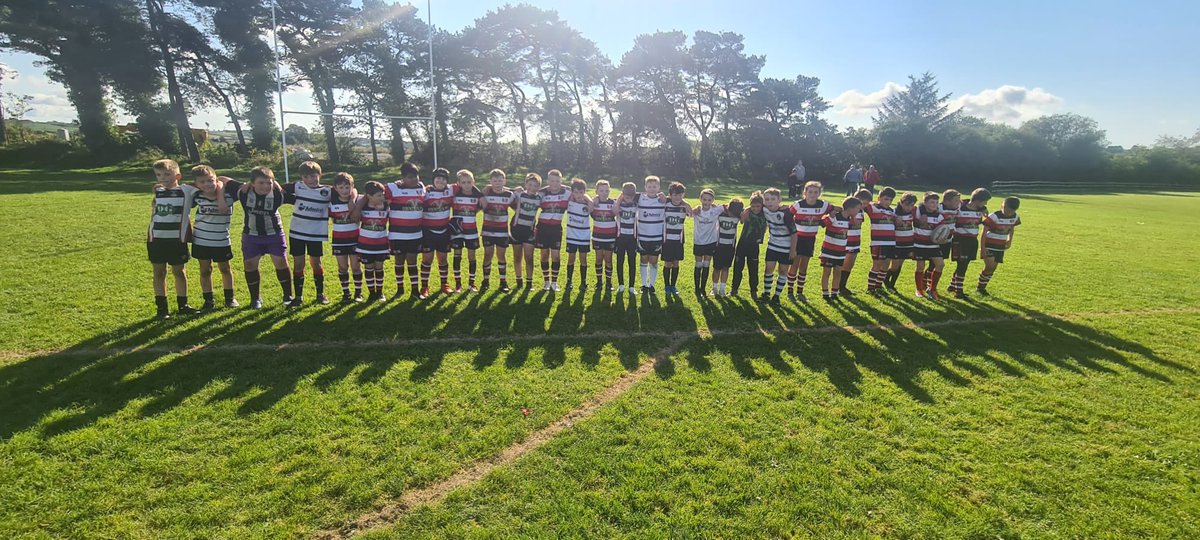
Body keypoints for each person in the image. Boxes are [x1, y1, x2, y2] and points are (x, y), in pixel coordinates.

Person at [147, 159, 199, 319]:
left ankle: (183, 305)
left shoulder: (187, 190)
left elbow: (210, 182)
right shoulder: (158, 190)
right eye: (159, 175)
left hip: (177, 240)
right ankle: (162, 309)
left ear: (178, 175)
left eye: (167, 174)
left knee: (179, 271)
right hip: (156, 239)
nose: (163, 178)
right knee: (159, 272)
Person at [238, 166, 292, 309]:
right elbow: (222, 180)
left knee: (281, 262)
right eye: (261, 183)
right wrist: (245, 184)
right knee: (250, 264)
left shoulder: (278, 195)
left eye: (269, 183)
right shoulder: (243, 192)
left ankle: (288, 296)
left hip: (273, 233)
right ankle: (255, 299)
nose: (265, 186)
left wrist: (276, 184)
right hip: (251, 234)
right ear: (252, 183)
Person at [282, 161, 333, 307]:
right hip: (297, 233)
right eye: (306, 177)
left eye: (313, 176)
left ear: (319, 175)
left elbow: (349, 190)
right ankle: (298, 297)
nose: (310, 179)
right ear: (301, 178)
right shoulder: (297, 187)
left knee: (316, 263)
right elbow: (277, 187)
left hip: (315, 234)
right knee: (299, 264)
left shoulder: (327, 191)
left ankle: (320, 294)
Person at [190, 165, 238, 310]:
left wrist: (221, 189)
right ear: (196, 184)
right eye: (202, 182)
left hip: (221, 239)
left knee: (225, 269)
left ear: (215, 179)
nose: (207, 185)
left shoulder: (229, 195)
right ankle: (208, 300)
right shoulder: (196, 196)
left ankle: (230, 298)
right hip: (201, 240)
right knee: (205, 270)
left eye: (210, 180)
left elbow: (234, 183)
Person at [381, 162, 425, 300]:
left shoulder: (422, 187)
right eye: (410, 177)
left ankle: (415, 291)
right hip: (397, 234)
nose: (414, 179)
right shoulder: (392, 188)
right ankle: (399, 289)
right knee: (399, 261)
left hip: (415, 234)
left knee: (412, 261)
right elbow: (373, 192)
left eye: (416, 176)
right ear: (403, 178)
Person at [786, 180, 832, 302]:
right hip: (797, 238)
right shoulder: (798, 205)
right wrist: (791, 230)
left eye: (815, 192)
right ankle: (790, 291)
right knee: (794, 265)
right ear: (805, 193)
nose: (812, 194)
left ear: (819, 193)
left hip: (810, 239)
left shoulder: (823, 205)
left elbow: (835, 210)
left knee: (804, 266)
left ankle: (800, 291)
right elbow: (787, 216)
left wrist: (824, 221)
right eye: (810, 192)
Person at [948, 188, 991, 298]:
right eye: (984, 201)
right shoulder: (960, 207)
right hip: (960, 240)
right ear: (977, 200)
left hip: (972, 241)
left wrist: (984, 209)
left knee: (964, 264)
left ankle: (952, 286)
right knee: (962, 265)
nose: (986, 204)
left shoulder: (980, 210)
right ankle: (959, 292)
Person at [418, 168, 453, 298]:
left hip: (444, 231)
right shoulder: (425, 192)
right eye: (438, 178)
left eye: (444, 179)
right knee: (427, 259)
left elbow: (469, 185)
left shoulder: (450, 190)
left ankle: (444, 284)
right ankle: (424, 287)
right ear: (433, 180)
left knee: (443, 259)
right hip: (428, 231)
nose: (441, 181)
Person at [328, 173, 363, 303]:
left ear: (352, 187)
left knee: (356, 267)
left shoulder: (358, 200)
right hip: (338, 241)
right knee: (342, 268)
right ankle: (346, 293)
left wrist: (353, 199)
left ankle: (358, 293)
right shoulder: (332, 202)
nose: (344, 190)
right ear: (335, 188)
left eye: (347, 187)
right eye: (341, 188)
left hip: (355, 239)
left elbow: (363, 197)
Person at [480, 169, 516, 291]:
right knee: (488, 254)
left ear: (504, 181)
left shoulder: (509, 195)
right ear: (490, 181)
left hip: (502, 231)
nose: (498, 183)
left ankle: (503, 282)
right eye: (495, 181)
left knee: (501, 255)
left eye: (500, 180)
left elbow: (517, 207)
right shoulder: (485, 194)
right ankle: (485, 281)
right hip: (487, 231)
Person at [977, 196, 1021, 295]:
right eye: (1005, 208)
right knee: (989, 266)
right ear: (1002, 205)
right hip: (989, 244)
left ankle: (982, 288)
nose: (1008, 212)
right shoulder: (994, 216)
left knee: (993, 268)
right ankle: (980, 287)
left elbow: (1012, 229)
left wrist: (1009, 240)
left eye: (1010, 210)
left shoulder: (1015, 217)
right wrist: (982, 248)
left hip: (1000, 245)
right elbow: (983, 232)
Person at [819, 197, 861, 301]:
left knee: (838, 272)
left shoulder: (849, 220)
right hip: (828, 251)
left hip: (841, 252)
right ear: (850, 208)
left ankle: (834, 293)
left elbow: (856, 225)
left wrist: (854, 218)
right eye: (857, 209)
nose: (858, 211)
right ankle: (825, 293)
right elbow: (822, 223)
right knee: (827, 272)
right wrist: (831, 215)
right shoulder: (835, 216)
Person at [355, 181, 391, 302]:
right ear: (369, 196)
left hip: (381, 244)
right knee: (369, 268)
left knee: (379, 268)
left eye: (383, 195)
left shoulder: (386, 207)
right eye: (379, 195)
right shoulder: (362, 206)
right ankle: (371, 293)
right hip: (365, 245)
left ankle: (380, 292)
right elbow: (354, 196)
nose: (382, 197)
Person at [759, 188, 796, 304]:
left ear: (779, 200)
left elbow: (794, 233)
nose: (770, 202)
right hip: (772, 245)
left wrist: (792, 250)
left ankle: (776, 296)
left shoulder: (786, 214)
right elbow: (753, 205)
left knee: (783, 271)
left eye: (773, 199)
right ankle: (766, 293)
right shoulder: (764, 209)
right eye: (767, 199)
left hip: (786, 248)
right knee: (768, 269)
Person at [536, 170, 570, 292]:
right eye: (552, 181)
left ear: (561, 182)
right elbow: (528, 194)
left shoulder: (567, 192)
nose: (555, 183)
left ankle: (554, 282)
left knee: (555, 256)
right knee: (544, 255)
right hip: (542, 228)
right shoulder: (541, 193)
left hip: (556, 228)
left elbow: (580, 191)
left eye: (557, 181)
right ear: (548, 181)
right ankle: (546, 282)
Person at [450, 169, 483, 292]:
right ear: (459, 183)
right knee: (457, 255)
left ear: (473, 182)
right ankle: (458, 284)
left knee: (471, 256)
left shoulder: (477, 195)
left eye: (469, 182)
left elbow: (479, 207)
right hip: (457, 230)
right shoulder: (454, 195)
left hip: (471, 230)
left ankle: (471, 283)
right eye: (463, 182)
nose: (467, 185)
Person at [509, 173, 541, 290]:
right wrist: (513, 189)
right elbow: (502, 190)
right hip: (516, 229)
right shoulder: (519, 194)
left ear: (539, 187)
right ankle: (519, 282)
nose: (532, 188)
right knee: (517, 258)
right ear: (526, 184)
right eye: (530, 185)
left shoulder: (539, 197)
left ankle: (529, 283)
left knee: (529, 258)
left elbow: (563, 188)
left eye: (536, 186)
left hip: (529, 230)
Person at [839, 189, 873, 296]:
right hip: (846, 240)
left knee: (850, 264)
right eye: (862, 203)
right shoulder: (847, 211)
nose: (864, 206)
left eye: (866, 204)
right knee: (843, 264)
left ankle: (843, 286)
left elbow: (859, 224)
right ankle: (838, 287)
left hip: (856, 240)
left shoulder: (861, 212)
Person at [636, 175, 667, 294]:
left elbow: (678, 200)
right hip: (643, 237)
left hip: (656, 237)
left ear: (659, 187)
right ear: (645, 187)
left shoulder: (663, 200)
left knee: (654, 261)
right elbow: (624, 194)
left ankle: (652, 285)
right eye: (649, 186)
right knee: (644, 260)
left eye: (654, 186)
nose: (652, 189)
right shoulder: (639, 198)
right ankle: (644, 285)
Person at [912, 191, 946, 300]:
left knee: (940, 264)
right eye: (932, 202)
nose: (934, 205)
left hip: (933, 246)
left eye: (936, 202)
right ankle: (919, 289)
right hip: (919, 245)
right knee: (920, 267)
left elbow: (942, 230)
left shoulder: (939, 216)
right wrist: (921, 214)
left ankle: (932, 289)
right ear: (925, 203)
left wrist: (942, 238)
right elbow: (909, 207)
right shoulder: (918, 211)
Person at [731, 191, 765, 297]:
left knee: (753, 269)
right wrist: (745, 210)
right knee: (737, 268)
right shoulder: (747, 211)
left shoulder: (766, 213)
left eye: (758, 206)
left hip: (754, 246)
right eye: (753, 206)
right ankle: (734, 289)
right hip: (742, 244)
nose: (755, 208)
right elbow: (741, 221)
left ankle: (754, 291)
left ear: (762, 205)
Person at [865, 187, 897, 294]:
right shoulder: (873, 207)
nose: (888, 202)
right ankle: (871, 288)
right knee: (877, 265)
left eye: (890, 200)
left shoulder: (892, 211)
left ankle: (878, 286)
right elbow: (862, 203)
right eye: (886, 199)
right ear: (879, 198)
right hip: (878, 242)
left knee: (886, 265)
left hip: (891, 242)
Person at [563, 178, 593, 290]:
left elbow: (591, 208)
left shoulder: (587, 203)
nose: (578, 195)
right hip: (571, 236)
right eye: (576, 192)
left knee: (583, 259)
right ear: (572, 192)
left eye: (581, 192)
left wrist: (588, 199)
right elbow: (562, 187)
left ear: (584, 192)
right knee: (571, 258)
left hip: (584, 236)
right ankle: (569, 281)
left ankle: (583, 282)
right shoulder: (569, 201)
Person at [662, 182, 692, 295]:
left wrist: (686, 203)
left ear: (683, 195)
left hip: (679, 240)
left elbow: (692, 213)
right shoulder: (665, 205)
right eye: (675, 195)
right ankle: (666, 286)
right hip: (667, 240)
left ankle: (673, 286)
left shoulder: (685, 207)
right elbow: (660, 198)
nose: (677, 197)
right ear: (670, 195)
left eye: (680, 195)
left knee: (676, 263)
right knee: (667, 264)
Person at [691, 188, 723, 297]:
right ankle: (697, 288)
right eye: (704, 199)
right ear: (700, 199)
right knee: (698, 265)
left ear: (713, 200)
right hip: (698, 242)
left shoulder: (715, 210)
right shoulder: (696, 211)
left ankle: (703, 288)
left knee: (706, 265)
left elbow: (728, 205)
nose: (706, 202)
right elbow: (688, 211)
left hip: (710, 242)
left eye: (709, 200)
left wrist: (717, 205)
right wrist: (695, 208)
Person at [884, 192, 918, 291]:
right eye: (907, 204)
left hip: (908, 243)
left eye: (911, 205)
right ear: (901, 202)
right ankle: (885, 279)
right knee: (894, 265)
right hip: (896, 243)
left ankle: (892, 284)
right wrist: (895, 221)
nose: (909, 207)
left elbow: (923, 207)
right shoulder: (894, 212)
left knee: (900, 264)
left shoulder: (913, 211)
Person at [712, 198, 744, 297]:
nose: (732, 215)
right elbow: (713, 207)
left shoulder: (739, 216)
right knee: (716, 268)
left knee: (726, 268)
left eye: (734, 214)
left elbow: (746, 213)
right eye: (731, 212)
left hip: (730, 247)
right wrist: (722, 206)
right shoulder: (721, 213)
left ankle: (722, 289)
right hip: (718, 246)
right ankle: (714, 288)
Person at [590, 180, 618, 291]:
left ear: (609, 191)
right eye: (601, 190)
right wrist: (593, 200)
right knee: (598, 259)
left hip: (610, 236)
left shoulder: (613, 203)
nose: (604, 193)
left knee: (608, 259)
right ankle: (599, 282)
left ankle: (609, 282)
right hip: (597, 236)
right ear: (597, 191)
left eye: (606, 190)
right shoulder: (593, 204)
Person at [614, 182, 640, 294]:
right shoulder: (618, 203)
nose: (629, 199)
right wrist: (620, 198)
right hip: (620, 238)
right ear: (622, 194)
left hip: (632, 238)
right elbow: (614, 211)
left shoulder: (636, 203)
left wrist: (633, 196)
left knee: (632, 261)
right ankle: (621, 284)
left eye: (631, 197)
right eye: (626, 196)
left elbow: (648, 195)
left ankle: (631, 286)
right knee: (620, 261)